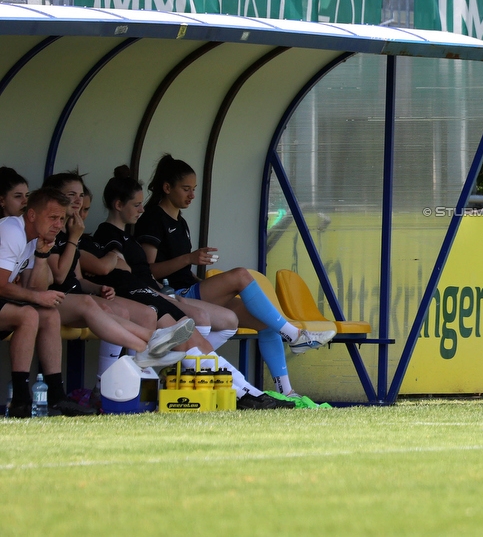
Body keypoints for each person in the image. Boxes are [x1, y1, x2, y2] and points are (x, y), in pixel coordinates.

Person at [90, 166, 293, 410]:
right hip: (142, 298)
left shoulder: (130, 237)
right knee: (193, 335)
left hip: (155, 294)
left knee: (201, 340)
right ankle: (249, 387)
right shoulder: (110, 234)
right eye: (136, 205)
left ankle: (251, 393)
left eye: (194, 189)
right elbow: (108, 269)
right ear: (118, 204)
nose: (141, 210)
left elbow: (138, 273)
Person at [135, 154, 335, 398]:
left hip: (189, 289)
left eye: (195, 189)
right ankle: (295, 336)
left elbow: (183, 273)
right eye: (186, 189)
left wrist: (200, 278)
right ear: (167, 188)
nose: (192, 195)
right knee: (241, 275)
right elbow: (147, 270)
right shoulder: (153, 218)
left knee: (265, 320)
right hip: (172, 297)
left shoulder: (181, 221)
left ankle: (286, 390)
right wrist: (189, 258)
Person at [39, 170, 193, 370]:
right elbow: (61, 275)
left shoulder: (71, 234)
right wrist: (76, 240)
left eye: (81, 195)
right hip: (56, 299)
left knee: (128, 310)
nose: (78, 200)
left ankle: (134, 369)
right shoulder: (55, 234)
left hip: (76, 295)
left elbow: (76, 278)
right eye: (71, 195)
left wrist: (97, 287)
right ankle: (146, 347)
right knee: (99, 306)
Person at [0, 187, 95, 416]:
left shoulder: (34, 239)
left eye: (61, 219)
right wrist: (37, 297)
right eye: (52, 217)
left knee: (49, 314)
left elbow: (34, 288)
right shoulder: (13, 230)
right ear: (32, 215)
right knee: (29, 314)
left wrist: (42, 256)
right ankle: (21, 401)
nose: (58, 224)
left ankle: (56, 396)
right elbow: (2, 285)